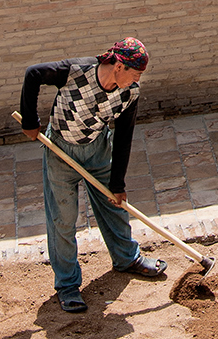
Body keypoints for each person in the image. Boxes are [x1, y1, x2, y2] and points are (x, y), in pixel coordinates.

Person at [19, 36, 166, 312]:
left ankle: (127, 258)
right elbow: (33, 74)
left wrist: (118, 182)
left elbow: (124, 136)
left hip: (98, 151)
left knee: (115, 208)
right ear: (118, 66)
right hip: (61, 152)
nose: (137, 80)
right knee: (62, 220)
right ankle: (67, 285)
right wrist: (30, 121)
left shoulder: (129, 93)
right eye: (135, 74)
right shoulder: (75, 71)